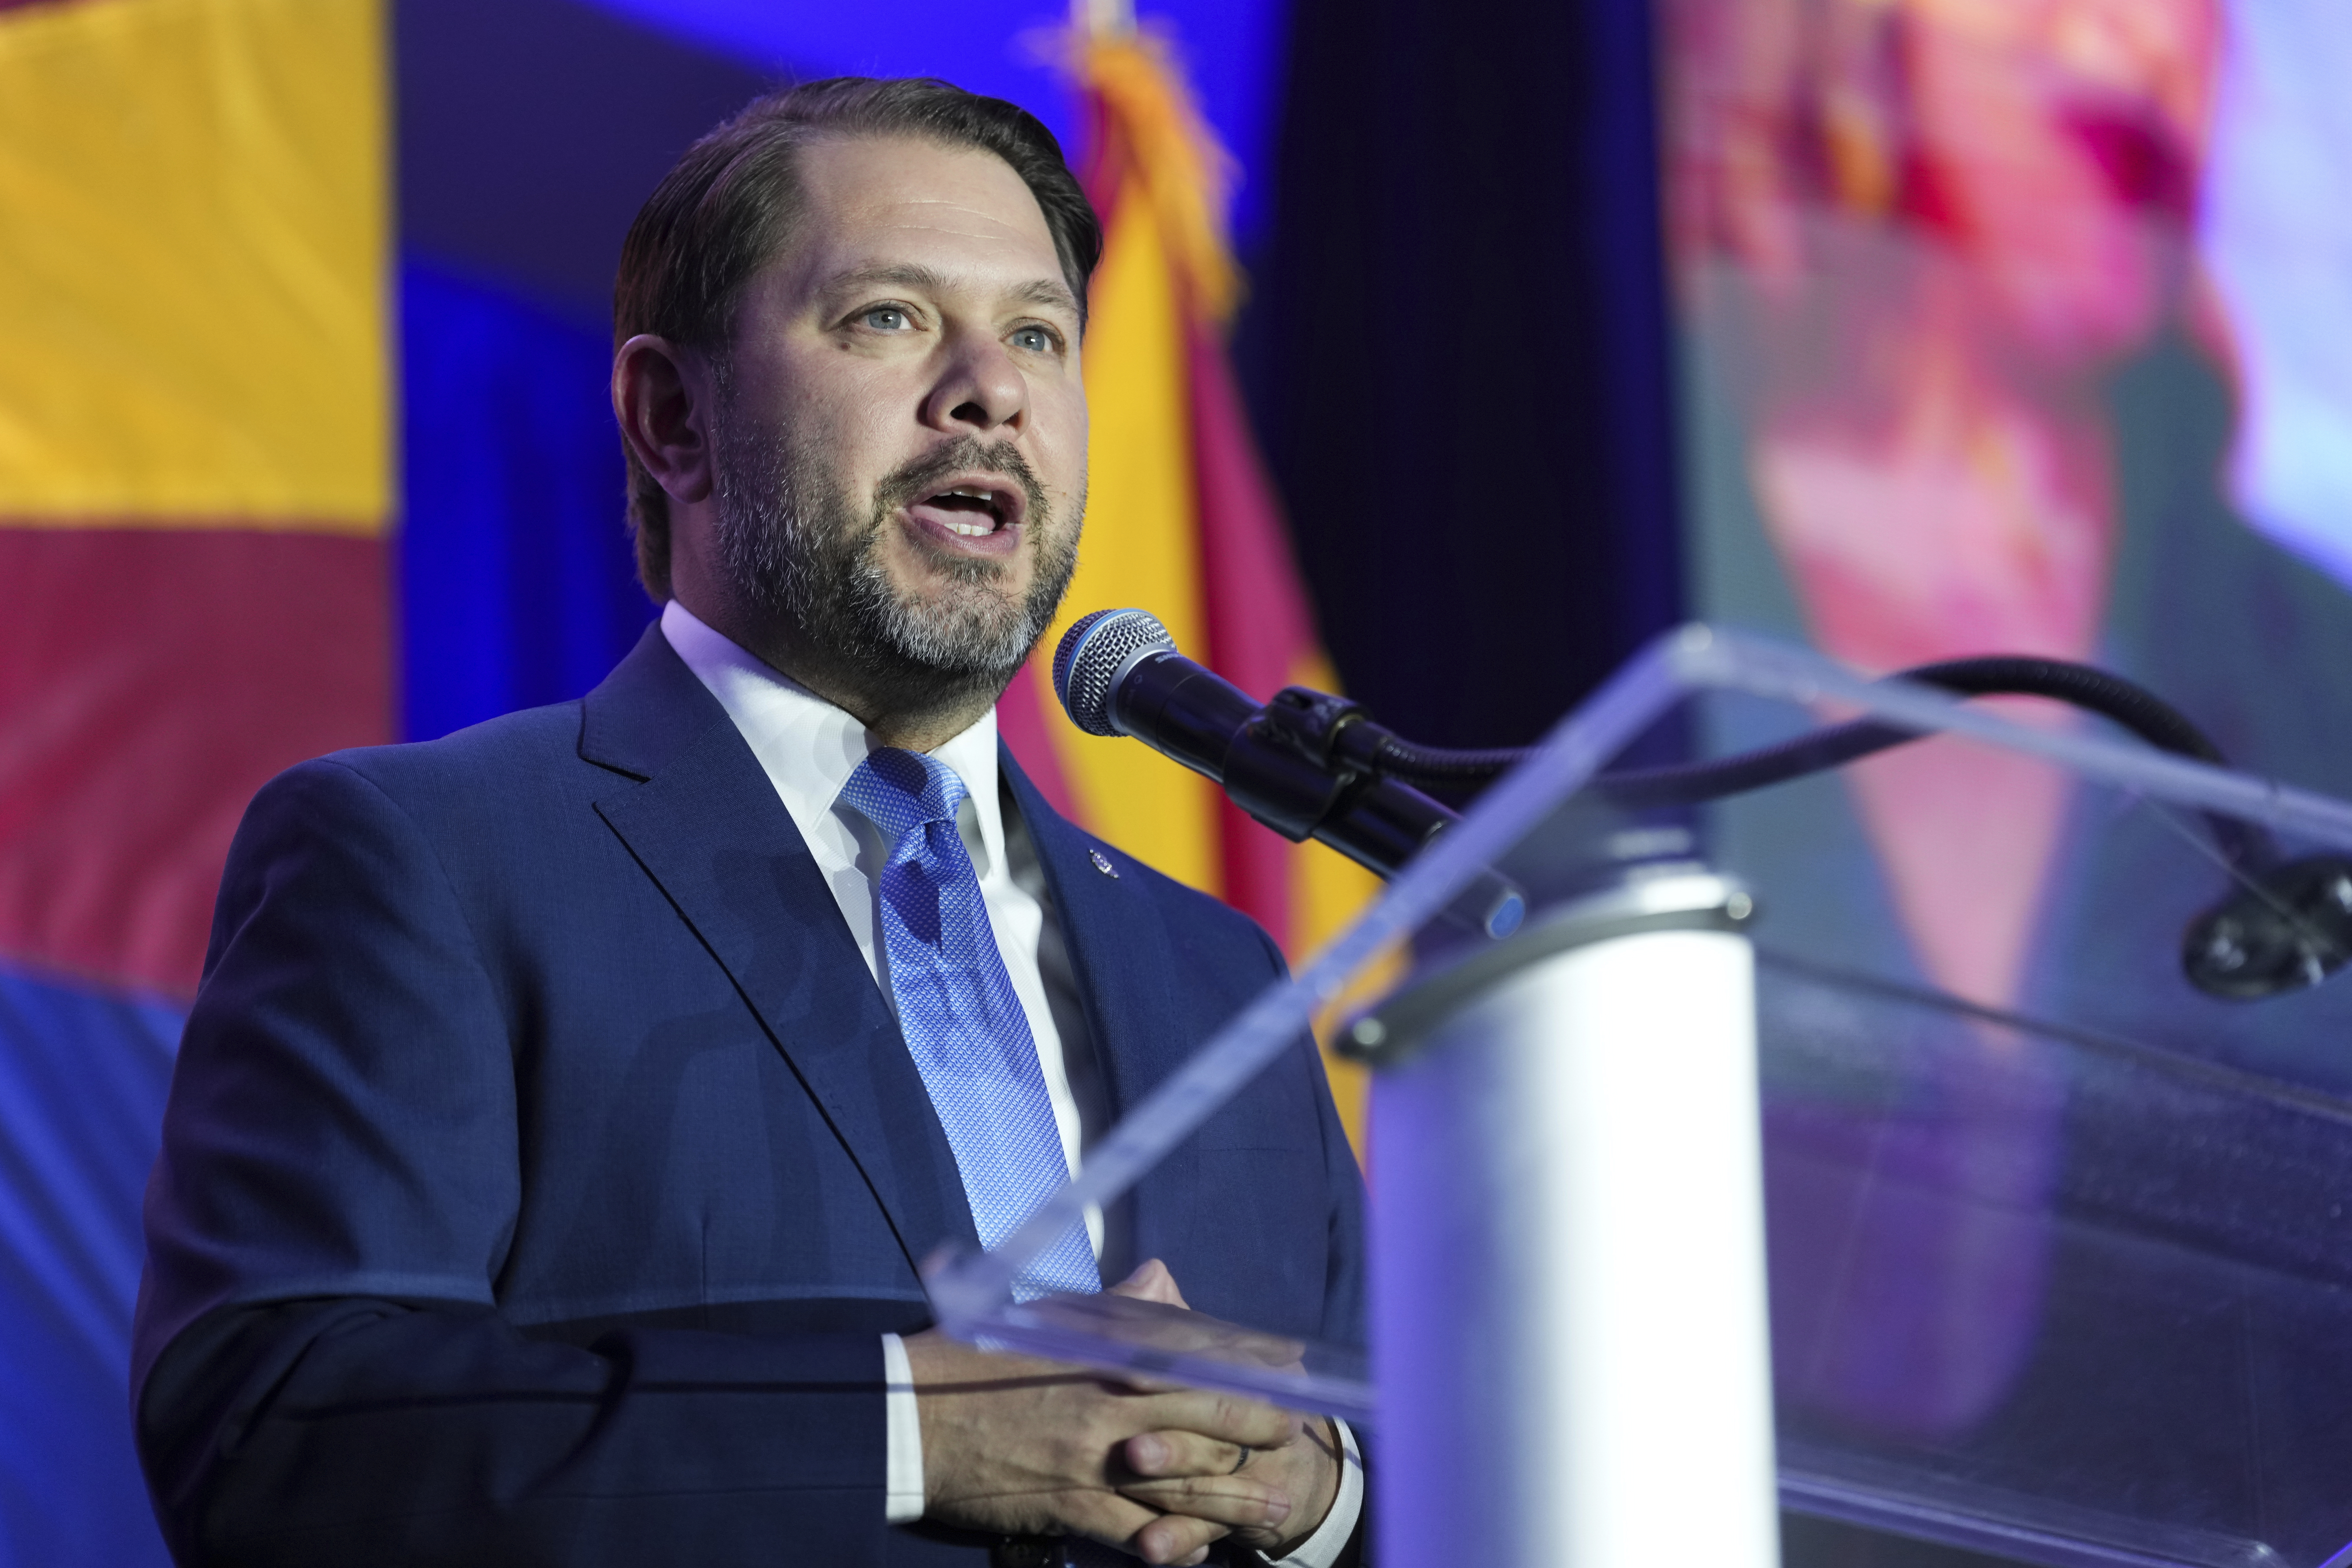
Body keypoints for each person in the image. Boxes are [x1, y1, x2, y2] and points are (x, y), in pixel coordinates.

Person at [131, 78, 1366, 1568]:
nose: (992, 389)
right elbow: (284, 1436)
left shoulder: (1223, 972)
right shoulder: (428, 860)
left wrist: (1319, 1495)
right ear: (672, 416)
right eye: (888, 319)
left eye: (1038, 333)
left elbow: (1426, 1475)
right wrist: (911, 1424)